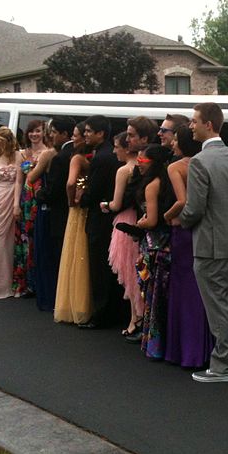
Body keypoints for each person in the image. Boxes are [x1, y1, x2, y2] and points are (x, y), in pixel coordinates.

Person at [180, 103, 228, 383]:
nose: (191, 125)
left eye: (194, 121)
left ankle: (224, 366)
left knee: (219, 306)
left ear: (208, 125)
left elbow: (195, 208)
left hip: (211, 246)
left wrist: (181, 221)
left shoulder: (200, 162)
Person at [163, 124, 214, 367]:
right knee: (200, 289)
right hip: (202, 230)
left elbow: (183, 201)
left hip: (182, 230)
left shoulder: (176, 167)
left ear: (181, 142)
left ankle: (184, 351)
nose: (171, 143)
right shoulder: (205, 163)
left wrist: (166, 216)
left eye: (175, 140)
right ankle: (203, 349)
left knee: (183, 290)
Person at [79, 115, 124, 329]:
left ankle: (101, 314)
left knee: (99, 268)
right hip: (113, 217)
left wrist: (81, 197)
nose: (85, 134)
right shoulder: (110, 155)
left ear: (101, 133)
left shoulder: (102, 158)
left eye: (89, 131)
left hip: (100, 218)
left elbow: (93, 192)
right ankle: (114, 312)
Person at [132, 144, 175, 358]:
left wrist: (139, 224)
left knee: (153, 293)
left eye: (143, 161)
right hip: (167, 242)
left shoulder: (152, 185)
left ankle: (154, 343)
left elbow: (152, 219)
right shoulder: (167, 181)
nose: (139, 164)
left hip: (154, 243)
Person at [26, 117, 74, 311]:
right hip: (67, 210)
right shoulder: (76, 153)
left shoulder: (51, 155)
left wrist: (38, 192)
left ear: (64, 134)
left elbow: (31, 178)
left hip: (50, 210)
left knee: (47, 255)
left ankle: (49, 297)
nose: (50, 135)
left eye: (53, 132)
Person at [102, 131, 143, 336]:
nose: (114, 150)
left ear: (127, 148)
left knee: (129, 270)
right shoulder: (145, 165)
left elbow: (116, 203)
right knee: (139, 270)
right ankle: (137, 318)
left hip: (125, 220)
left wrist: (104, 205)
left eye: (117, 146)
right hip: (141, 220)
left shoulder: (124, 170)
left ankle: (135, 319)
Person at [54, 124, 94, 324]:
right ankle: (83, 303)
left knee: (75, 253)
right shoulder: (92, 157)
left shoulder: (77, 158)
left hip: (78, 209)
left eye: (77, 135)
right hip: (88, 207)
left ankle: (73, 303)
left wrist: (71, 201)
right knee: (83, 253)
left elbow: (70, 183)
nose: (75, 137)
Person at [12, 119, 48, 297]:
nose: (34, 134)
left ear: (44, 133)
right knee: (24, 241)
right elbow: (19, 180)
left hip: (40, 200)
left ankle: (39, 281)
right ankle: (27, 282)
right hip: (25, 199)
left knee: (38, 239)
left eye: (38, 131)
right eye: (32, 131)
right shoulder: (22, 154)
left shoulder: (48, 153)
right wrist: (15, 204)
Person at [0, 127, 21, 300]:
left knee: (12, 240)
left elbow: (19, 182)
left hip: (13, 197)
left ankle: (12, 283)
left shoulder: (19, 156)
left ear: (3, 141)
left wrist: (16, 204)